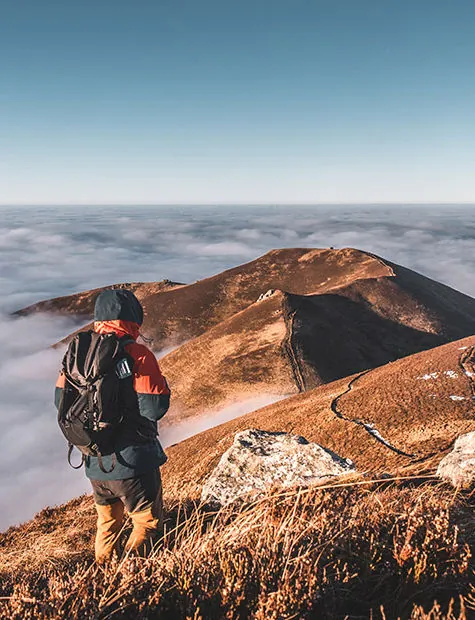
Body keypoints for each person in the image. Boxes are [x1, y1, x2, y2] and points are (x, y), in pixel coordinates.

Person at [54, 289, 170, 563]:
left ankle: (101, 581)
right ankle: (131, 582)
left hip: (95, 461)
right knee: (146, 524)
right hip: (134, 463)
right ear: (133, 319)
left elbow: (60, 401)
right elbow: (155, 408)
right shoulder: (137, 354)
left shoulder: (78, 352)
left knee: (107, 526)